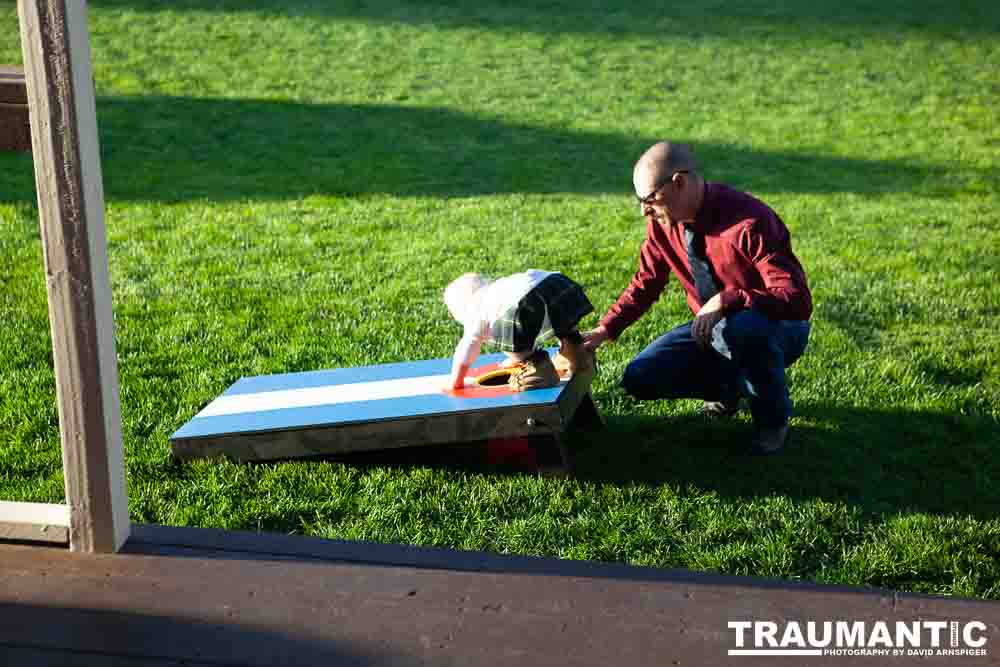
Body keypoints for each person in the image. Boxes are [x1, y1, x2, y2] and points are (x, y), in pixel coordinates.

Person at [584, 141, 812, 454]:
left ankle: (772, 420)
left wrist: (728, 299)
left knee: (744, 329)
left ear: (679, 182)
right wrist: (604, 330)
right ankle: (730, 387)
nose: (643, 210)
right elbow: (646, 282)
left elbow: (797, 301)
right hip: (715, 330)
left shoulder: (749, 221)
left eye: (649, 199)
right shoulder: (662, 224)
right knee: (640, 377)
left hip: (779, 327)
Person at [444, 270, 595, 391]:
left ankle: (539, 369)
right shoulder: (499, 289)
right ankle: (576, 353)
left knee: (509, 335)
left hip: (525, 302)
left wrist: (455, 382)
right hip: (555, 282)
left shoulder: (475, 311)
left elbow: (465, 353)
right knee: (564, 325)